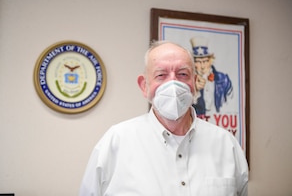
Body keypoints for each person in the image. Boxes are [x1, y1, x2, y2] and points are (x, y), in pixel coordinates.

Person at [79, 41, 248, 196]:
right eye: (161, 75)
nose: (173, 83)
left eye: (182, 74)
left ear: (195, 83)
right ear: (144, 86)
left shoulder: (226, 144)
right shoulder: (115, 142)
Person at [191, 36, 233, 117]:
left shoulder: (223, 79)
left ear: (210, 61)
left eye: (205, 61)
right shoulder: (188, 82)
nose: (202, 66)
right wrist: (195, 91)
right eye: (198, 62)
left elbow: (230, 103)